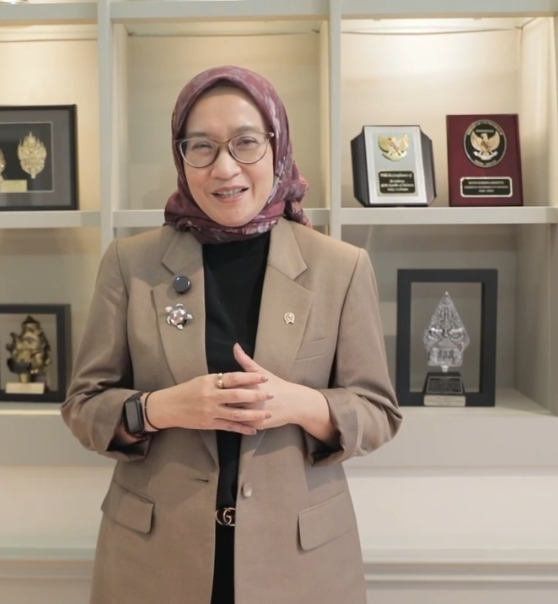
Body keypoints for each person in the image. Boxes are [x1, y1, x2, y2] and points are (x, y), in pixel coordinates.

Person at [61, 65, 402, 604]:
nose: (224, 168)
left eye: (246, 143)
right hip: (154, 562)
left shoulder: (340, 267)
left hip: (299, 564)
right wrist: (159, 409)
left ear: (276, 145)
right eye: (201, 146)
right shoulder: (132, 263)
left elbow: (379, 413)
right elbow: (84, 405)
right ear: (181, 156)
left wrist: (299, 404)